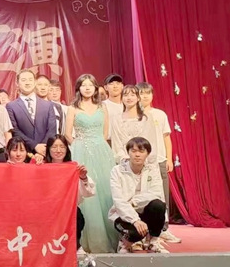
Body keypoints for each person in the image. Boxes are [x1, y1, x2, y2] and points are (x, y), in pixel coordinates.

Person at [64, 73, 118, 253]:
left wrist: (97, 145)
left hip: (102, 151)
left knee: (105, 189)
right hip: (81, 151)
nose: (87, 88)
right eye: (83, 85)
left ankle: (114, 235)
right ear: (78, 88)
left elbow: (105, 133)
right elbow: (67, 134)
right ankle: (87, 240)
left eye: (90, 85)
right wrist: (80, 145)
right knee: (86, 193)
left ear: (95, 88)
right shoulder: (72, 108)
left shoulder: (102, 107)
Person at [136, 82, 181, 244]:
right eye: (141, 93)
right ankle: (145, 231)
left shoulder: (160, 114)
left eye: (148, 93)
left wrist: (168, 158)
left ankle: (164, 229)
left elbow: (166, 137)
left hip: (159, 159)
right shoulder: (134, 115)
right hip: (140, 162)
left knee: (162, 195)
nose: (145, 96)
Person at [109, 137, 169, 254]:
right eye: (134, 151)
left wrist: (134, 201)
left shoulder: (152, 169)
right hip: (123, 214)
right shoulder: (117, 171)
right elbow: (119, 200)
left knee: (158, 205)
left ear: (147, 154)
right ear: (128, 152)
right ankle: (126, 242)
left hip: (144, 211)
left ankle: (153, 242)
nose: (137, 155)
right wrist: (135, 220)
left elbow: (156, 192)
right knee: (135, 232)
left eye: (141, 151)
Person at [43, 135, 96, 255]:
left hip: (68, 209)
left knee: (77, 216)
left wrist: (83, 177)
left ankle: (76, 246)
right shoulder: (42, 167)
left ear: (67, 149)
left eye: (62, 147)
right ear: (48, 149)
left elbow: (89, 193)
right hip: (47, 210)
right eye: (54, 147)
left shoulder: (73, 168)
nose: (58, 150)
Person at [6, 70, 57, 160]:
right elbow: (15, 130)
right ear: (17, 83)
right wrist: (35, 146)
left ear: (35, 82)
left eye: (30, 80)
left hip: (45, 153)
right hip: (23, 154)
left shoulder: (48, 105)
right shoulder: (11, 106)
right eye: (24, 80)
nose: (27, 83)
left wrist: (42, 149)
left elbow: (52, 129)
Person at [110, 85, 156, 164]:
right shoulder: (116, 119)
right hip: (125, 161)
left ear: (138, 98)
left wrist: (144, 159)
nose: (129, 98)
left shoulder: (146, 118)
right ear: (122, 98)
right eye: (125, 95)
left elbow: (151, 142)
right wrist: (126, 160)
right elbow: (116, 144)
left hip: (145, 161)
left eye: (132, 95)